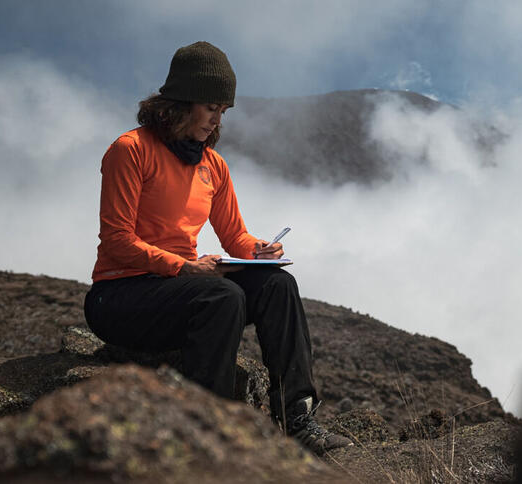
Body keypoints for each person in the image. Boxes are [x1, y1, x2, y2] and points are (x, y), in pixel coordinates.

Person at [83, 41, 352, 455]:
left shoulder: (213, 165)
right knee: (221, 295)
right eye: (210, 107)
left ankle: (296, 419)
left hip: (180, 291)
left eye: (223, 111)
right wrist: (184, 267)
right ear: (180, 101)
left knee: (277, 284)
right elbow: (117, 241)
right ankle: (211, 433)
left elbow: (234, 237)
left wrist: (259, 249)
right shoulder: (130, 150)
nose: (216, 119)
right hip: (119, 297)